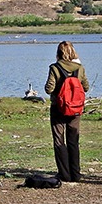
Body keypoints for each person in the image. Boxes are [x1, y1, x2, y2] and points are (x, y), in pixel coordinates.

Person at [44, 41, 89, 184]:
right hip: (75, 108)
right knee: (73, 140)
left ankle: (64, 173)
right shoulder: (80, 68)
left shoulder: (54, 68)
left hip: (58, 107)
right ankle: (75, 173)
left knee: (59, 140)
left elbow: (49, 89)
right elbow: (86, 87)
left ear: (58, 53)